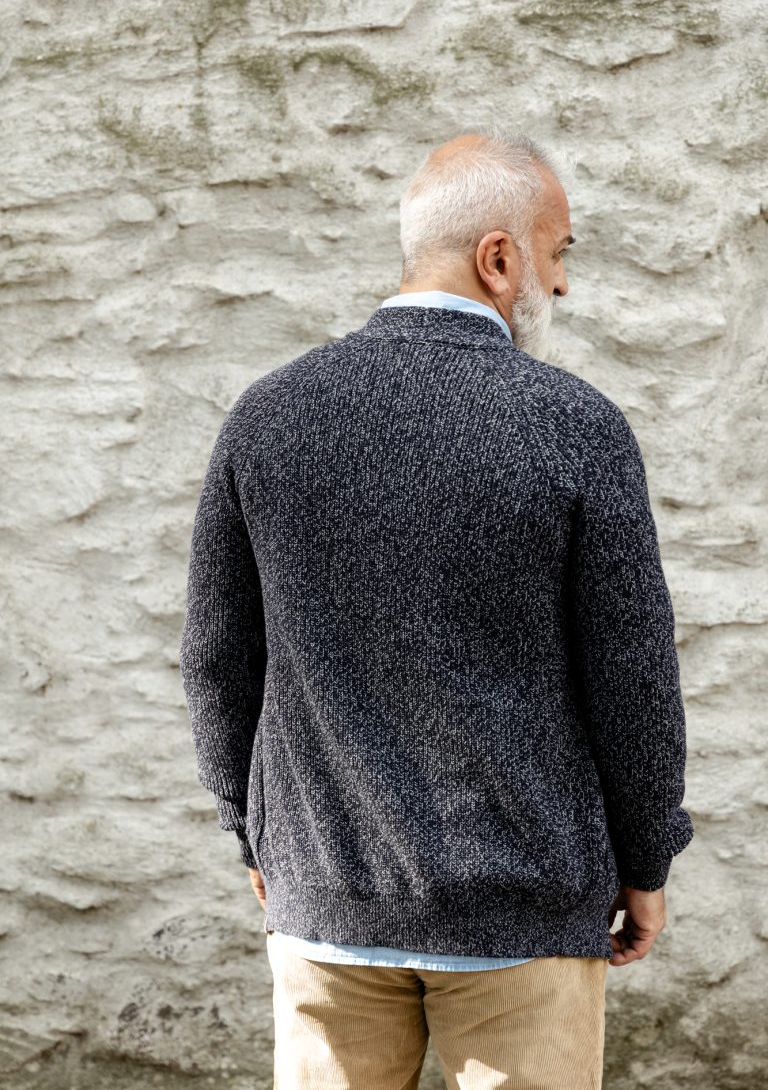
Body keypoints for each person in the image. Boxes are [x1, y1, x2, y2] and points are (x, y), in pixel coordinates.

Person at [179, 130, 694, 1089]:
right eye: (557, 253)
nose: (563, 282)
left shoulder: (267, 415)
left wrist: (254, 834)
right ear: (499, 258)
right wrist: (647, 861)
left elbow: (216, 659)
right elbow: (632, 678)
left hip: (325, 903)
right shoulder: (574, 424)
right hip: (524, 914)